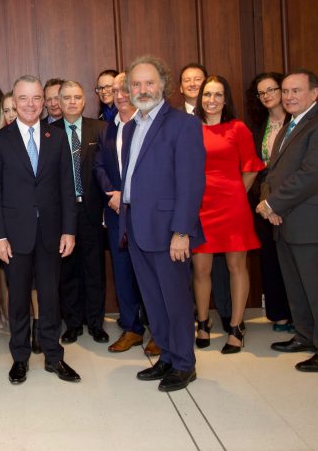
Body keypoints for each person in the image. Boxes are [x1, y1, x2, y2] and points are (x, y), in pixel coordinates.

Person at [257, 70, 318, 372]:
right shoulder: (290, 125)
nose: (288, 96)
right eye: (285, 91)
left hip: (316, 223)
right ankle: (307, 336)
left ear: (314, 93)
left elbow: (312, 176)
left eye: (296, 91)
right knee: (298, 287)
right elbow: (272, 173)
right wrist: (268, 203)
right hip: (286, 221)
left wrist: (272, 202)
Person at [0, 75, 80, 385]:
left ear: (43, 102)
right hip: (14, 236)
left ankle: (54, 356)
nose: (30, 104)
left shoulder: (57, 137)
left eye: (36, 98)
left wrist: (69, 230)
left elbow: (67, 188)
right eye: (23, 98)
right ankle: (20, 358)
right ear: (14, 102)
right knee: (18, 300)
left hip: (52, 233)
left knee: (51, 298)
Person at [120, 56, 205, 392]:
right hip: (137, 227)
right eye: (136, 84)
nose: (143, 89)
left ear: (163, 85)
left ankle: (185, 364)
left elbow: (191, 183)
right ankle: (167, 357)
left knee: (176, 301)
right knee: (153, 300)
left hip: (169, 230)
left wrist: (182, 231)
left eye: (149, 83)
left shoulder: (182, 124)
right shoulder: (130, 127)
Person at [192, 76, 265, 354]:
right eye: (207, 94)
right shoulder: (191, 128)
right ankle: (202, 322)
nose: (212, 100)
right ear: (200, 98)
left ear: (226, 99)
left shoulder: (238, 128)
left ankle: (236, 327)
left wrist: (236, 195)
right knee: (201, 270)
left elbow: (251, 167)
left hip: (232, 206)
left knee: (237, 267)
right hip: (199, 207)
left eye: (218, 95)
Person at [94, 73, 159, 356]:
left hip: (144, 213)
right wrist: (113, 194)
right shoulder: (109, 128)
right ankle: (132, 328)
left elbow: (153, 169)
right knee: (122, 273)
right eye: (114, 90)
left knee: (150, 274)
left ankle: (159, 330)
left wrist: (128, 194)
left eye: (124, 89)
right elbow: (99, 167)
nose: (119, 95)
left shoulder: (148, 125)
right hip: (117, 213)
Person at [51, 81, 108, 344]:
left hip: (93, 209)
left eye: (77, 97)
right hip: (62, 212)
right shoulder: (47, 132)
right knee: (67, 269)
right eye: (66, 98)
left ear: (84, 101)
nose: (72, 102)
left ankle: (95, 322)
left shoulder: (101, 128)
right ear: (58, 103)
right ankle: (72, 323)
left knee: (94, 267)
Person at [179, 63, 232, 333]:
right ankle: (196, 318)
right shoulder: (176, 120)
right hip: (191, 206)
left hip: (223, 206)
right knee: (193, 268)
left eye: (197, 79)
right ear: (179, 87)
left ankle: (226, 315)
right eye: (186, 80)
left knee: (222, 267)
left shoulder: (229, 123)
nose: (192, 84)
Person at [245, 72, 293, 332]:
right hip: (261, 202)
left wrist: (278, 203)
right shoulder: (258, 127)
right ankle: (280, 315)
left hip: (291, 202)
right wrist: (265, 204)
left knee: (294, 260)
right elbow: (255, 168)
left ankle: (301, 315)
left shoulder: (297, 122)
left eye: (271, 90)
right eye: (261, 92)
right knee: (270, 260)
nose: (267, 96)